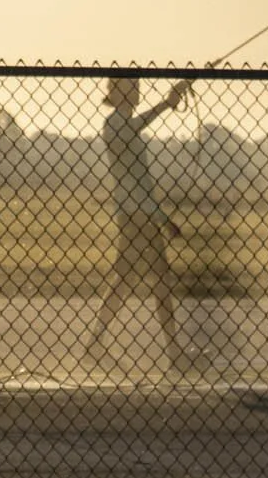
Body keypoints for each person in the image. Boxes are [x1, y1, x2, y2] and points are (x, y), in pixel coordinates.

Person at [82, 75, 198, 370]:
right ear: (117, 92)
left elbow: (142, 184)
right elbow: (136, 133)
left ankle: (97, 341)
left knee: (126, 280)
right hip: (136, 217)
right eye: (131, 86)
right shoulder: (115, 125)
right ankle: (173, 352)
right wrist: (166, 104)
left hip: (140, 215)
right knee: (157, 281)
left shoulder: (126, 127)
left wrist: (161, 217)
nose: (137, 91)